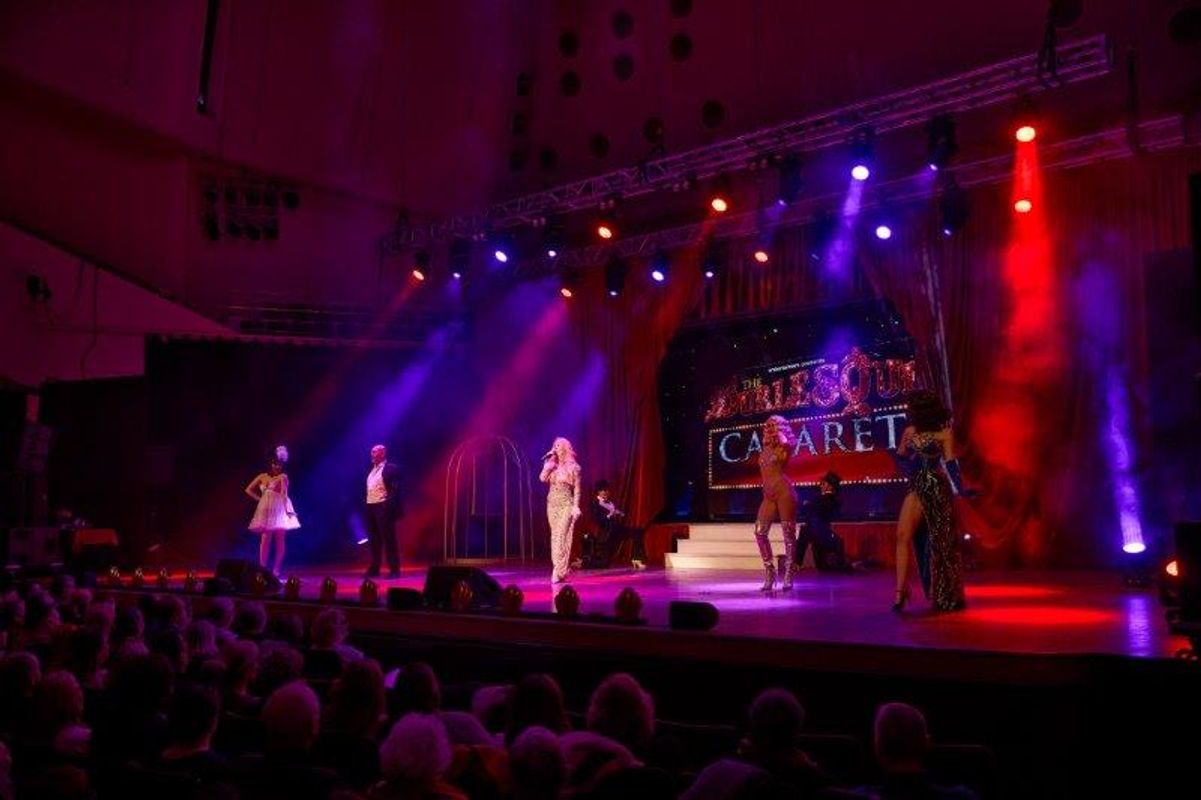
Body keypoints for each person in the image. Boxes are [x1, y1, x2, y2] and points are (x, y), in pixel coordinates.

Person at [893, 390, 969, 613]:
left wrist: (961, 489)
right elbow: (901, 456)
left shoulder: (945, 433)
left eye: (913, 409)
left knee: (940, 542)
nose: (910, 412)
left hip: (936, 486)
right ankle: (900, 592)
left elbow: (951, 464)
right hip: (916, 485)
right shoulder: (909, 431)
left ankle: (945, 592)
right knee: (902, 535)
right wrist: (902, 459)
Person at [752, 415, 799, 592]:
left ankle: (788, 574)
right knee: (759, 532)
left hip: (784, 493)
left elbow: (787, 442)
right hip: (768, 496)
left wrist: (779, 432)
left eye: (773, 425)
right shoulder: (765, 448)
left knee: (788, 534)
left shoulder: (784, 446)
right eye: (767, 425)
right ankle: (770, 573)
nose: (769, 428)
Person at [245, 446, 300, 575]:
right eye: (275, 464)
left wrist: (288, 511)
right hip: (266, 510)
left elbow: (284, 495)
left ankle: (276, 569)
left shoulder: (283, 477)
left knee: (280, 539)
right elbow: (248, 489)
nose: (277, 467)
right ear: (271, 464)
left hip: (279, 509)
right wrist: (259, 499)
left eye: (280, 465)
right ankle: (262, 569)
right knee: (265, 539)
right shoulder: (262, 477)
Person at [539, 437, 582, 584]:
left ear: (565, 447)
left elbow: (577, 489)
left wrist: (576, 506)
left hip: (566, 504)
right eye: (554, 445)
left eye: (558, 445)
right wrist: (549, 463)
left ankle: (557, 570)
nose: (555, 448)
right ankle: (560, 569)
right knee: (555, 536)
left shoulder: (574, 467)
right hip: (552, 504)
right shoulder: (552, 465)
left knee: (562, 536)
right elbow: (542, 478)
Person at [795, 472, 850, 572]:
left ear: (830, 486)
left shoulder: (830, 499)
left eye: (823, 484)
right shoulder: (822, 499)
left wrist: (809, 504)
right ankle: (797, 563)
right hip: (819, 535)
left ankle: (796, 563)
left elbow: (820, 509)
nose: (821, 486)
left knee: (805, 531)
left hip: (824, 535)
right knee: (822, 567)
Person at [365, 444, 403, 578]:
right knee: (374, 540)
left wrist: (388, 505)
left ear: (382, 454)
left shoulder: (391, 469)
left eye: (375, 452)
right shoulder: (371, 470)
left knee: (389, 539)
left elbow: (396, 489)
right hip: (371, 507)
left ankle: (394, 570)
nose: (372, 455)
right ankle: (375, 568)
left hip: (383, 507)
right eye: (372, 452)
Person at [589, 480, 646, 569]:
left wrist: (619, 513)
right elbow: (598, 520)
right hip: (607, 535)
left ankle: (637, 559)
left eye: (606, 490)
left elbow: (615, 512)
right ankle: (583, 563)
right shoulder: (595, 504)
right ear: (598, 492)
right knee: (604, 564)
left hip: (617, 530)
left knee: (637, 533)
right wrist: (609, 515)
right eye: (602, 490)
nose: (605, 492)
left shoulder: (611, 503)